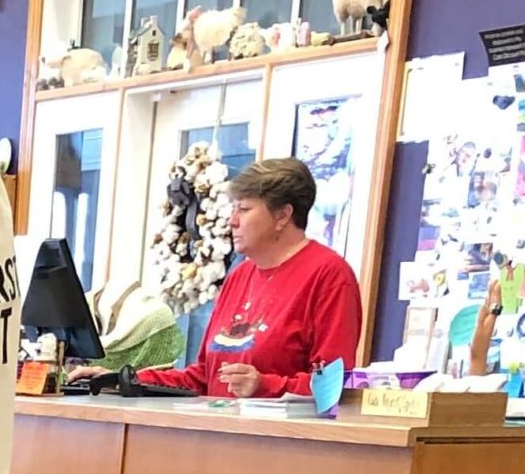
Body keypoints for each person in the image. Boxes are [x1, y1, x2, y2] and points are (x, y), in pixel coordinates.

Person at [137, 156, 363, 399]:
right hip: (217, 432)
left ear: (282, 216)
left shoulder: (329, 275)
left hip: (277, 435)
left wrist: (265, 385)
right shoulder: (239, 276)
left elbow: (332, 386)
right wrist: (122, 379)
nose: (232, 221)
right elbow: (203, 377)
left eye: (243, 209)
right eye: (234, 209)